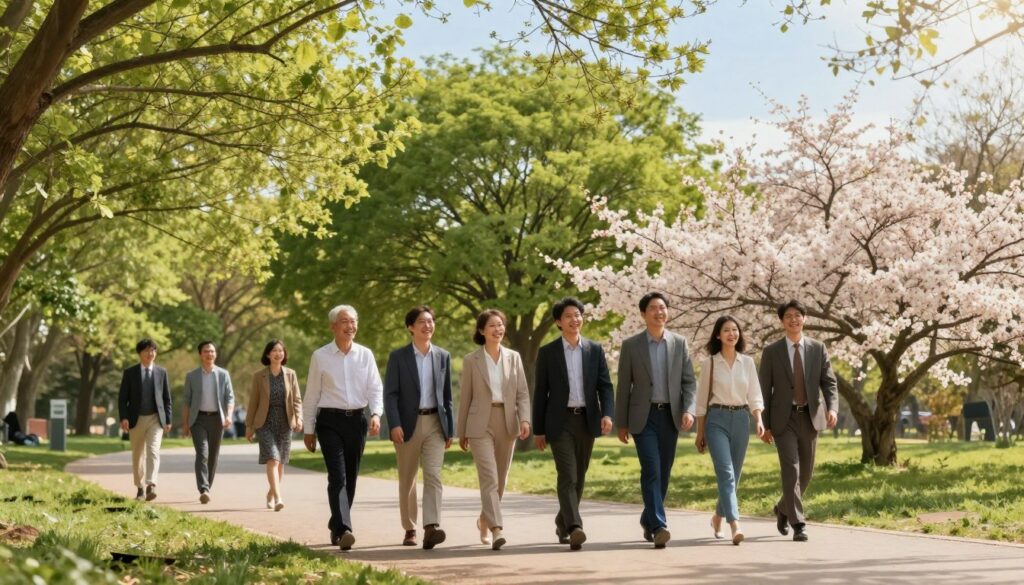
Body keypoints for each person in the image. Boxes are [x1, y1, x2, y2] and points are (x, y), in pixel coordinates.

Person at [615, 292, 697, 548]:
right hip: (643, 416)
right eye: (653, 308)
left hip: (670, 415)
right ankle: (660, 525)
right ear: (643, 314)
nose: (659, 312)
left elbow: (688, 382)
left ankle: (647, 518)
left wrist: (689, 410)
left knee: (664, 471)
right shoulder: (631, 345)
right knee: (651, 468)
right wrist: (621, 422)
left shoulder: (679, 343)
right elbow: (624, 386)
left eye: (663, 307)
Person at [533, 297, 614, 551]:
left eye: (577, 314)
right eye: (568, 316)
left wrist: (607, 414)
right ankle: (575, 527)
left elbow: (605, 386)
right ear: (559, 322)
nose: (574, 319)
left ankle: (562, 522)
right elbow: (540, 392)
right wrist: (539, 429)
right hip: (559, 422)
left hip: (587, 419)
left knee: (579, 476)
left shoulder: (594, 350)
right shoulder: (548, 353)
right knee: (567, 474)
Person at [303, 305, 383, 551]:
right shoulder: (320, 356)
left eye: (353, 321)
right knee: (337, 476)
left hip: (357, 421)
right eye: (345, 321)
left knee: (351, 476)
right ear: (333, 326)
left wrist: (376, 413)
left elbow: (375, 387)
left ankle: (336, 522)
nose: (351, 326)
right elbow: (312, 394)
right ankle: (345, 529)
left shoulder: (365, 355)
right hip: (329, 421)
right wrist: (309, 429)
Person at [759, 299, 839, 542]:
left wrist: (832, 408)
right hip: (783, 420)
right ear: (781, 321)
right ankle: (799, 524)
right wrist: (764, 424)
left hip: (811, 417)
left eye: (797, 315)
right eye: (788, 316)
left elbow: (829, 382)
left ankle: (783, 508)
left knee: (806, 474)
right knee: (791, 471)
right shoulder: (771, 352)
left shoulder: (818, 348)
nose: (793, 319)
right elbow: (764, 390)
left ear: (805, 318)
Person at [457, 309, 531, 550]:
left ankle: (484, 519)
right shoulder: (471, 360)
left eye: (500, 325)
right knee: (488, 477)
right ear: (481, 330)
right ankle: (497, 529)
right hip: (479, 423)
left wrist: (525, 419)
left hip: (507, 421)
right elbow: (465, 397)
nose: (498, 329)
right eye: (492, 325)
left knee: (500, 480)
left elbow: (522, 393)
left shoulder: (514, 357)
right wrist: (461, 431)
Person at [384, 305, 454, 549]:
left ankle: (431, 526)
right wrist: (394, 424)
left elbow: (447, 397)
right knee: (408, 478)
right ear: (411, 327)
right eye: (422, 321)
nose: (428, 325)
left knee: (434, 474)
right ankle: (410, 527)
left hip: (435, 423)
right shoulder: (398, 357)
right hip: (407, 424)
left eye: (431, 321)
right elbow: (390, 394)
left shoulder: (443, 356)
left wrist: (449, 428)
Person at [693, 315, 765, 545]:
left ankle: (717, 517)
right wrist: (700, 432)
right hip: (717, 420)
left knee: (735, 474)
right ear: (718, 335)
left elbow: (755, 394)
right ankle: (734, 524)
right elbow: (701, 401)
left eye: (735, 329)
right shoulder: (710, 363)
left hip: (742, 419)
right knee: (726, 473)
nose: (732, 334)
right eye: (726, 330)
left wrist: (759, 420)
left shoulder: (748, 363)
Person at [246, 339, 303, 511]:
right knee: (273, 458)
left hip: (285, 422)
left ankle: (271, 493)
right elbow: (253, 402)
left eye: (281, 350)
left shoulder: (291, 374)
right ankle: (278, 498)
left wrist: (299, 418)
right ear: (268, 354)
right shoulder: (259, 376)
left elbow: (297, 399)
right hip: (265, 422)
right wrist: (249, 426)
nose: (278, 353)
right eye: (275, 351)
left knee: (281, 462)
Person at [117, 338, 172, 502]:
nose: (151, 353)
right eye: (147, 350)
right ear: (140, 353)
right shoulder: (130, 373)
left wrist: (168, 419)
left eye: (153, 350)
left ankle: (151, 484)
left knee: (153, 451)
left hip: (156, 418)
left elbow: (166, 399)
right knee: (138, 455)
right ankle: (140, 488)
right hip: (136, 419)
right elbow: (122, 399)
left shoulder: (162, 372)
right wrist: (124, 417)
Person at [181, 341, 235, 504]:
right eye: (206, 351)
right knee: (202, 453)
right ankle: (203, 488)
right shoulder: (192, 376)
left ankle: (207, 487)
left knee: (213, 455)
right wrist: (186, 424)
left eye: (212, 351)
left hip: (217, 419)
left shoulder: (223, 374)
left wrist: (229, 415)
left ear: (215, 354)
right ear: (200, 355)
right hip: (198, 419)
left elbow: (230, 397)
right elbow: (186, 401)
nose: (209, 354)